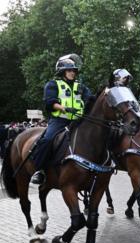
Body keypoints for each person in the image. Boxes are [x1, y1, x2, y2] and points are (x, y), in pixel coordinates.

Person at [30, 54, 94, 184]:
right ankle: (38, 170)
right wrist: (64, 108)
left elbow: (91, 100)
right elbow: (50, 102)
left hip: (78, 121)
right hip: (60, 120)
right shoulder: (53, 84)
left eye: (74, 70)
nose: (72, 73)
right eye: (69, 70)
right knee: (47, 140)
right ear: (62, 71)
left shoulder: (81, 86)